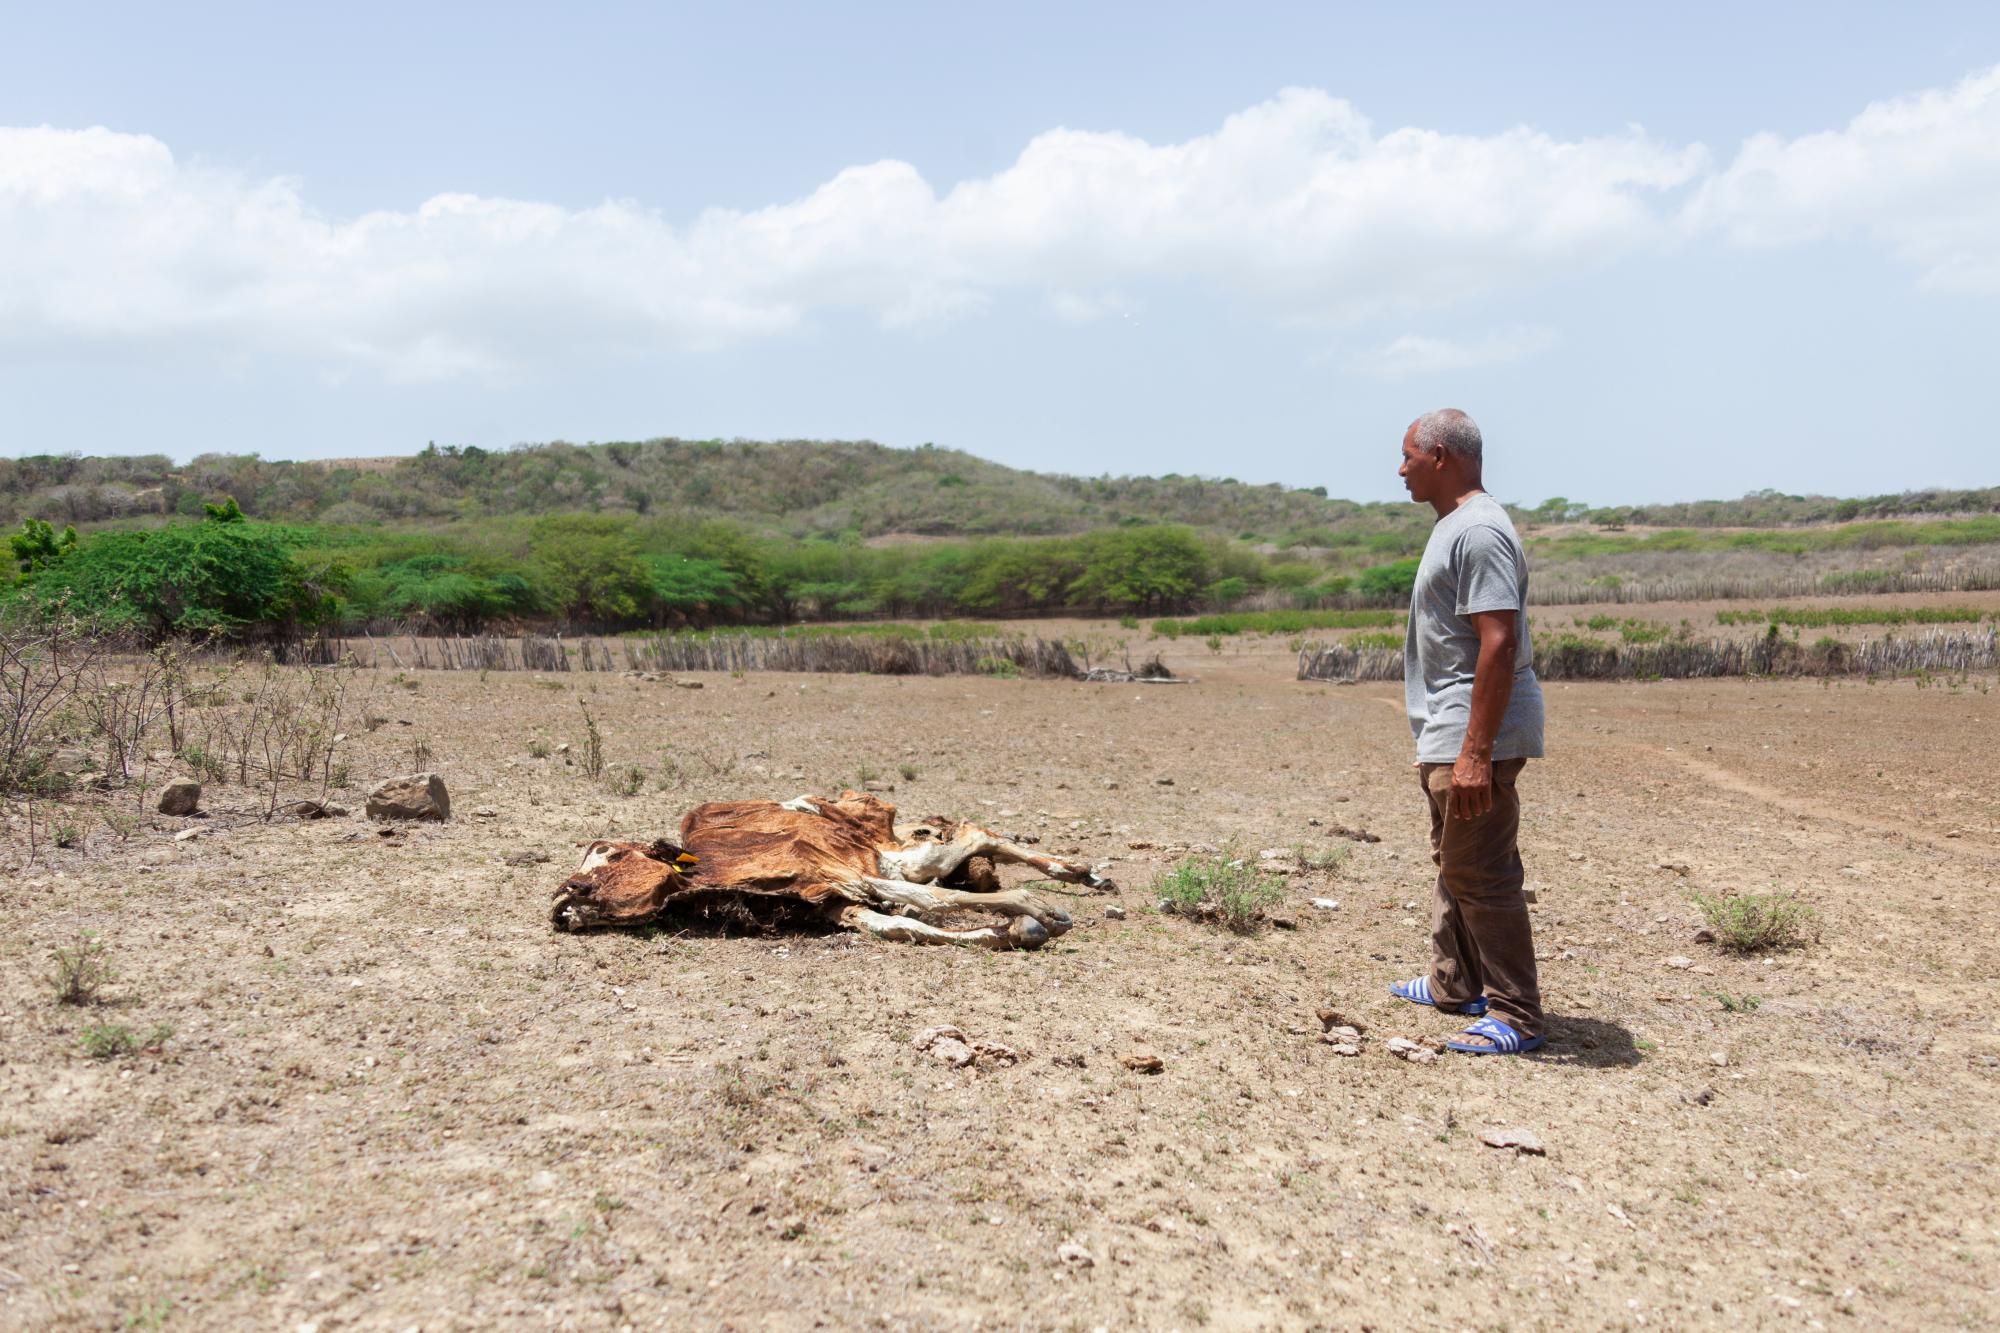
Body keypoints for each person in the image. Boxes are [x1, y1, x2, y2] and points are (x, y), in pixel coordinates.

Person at [1386, 408, 1547, 1055]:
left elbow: (1498, 641)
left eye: (1408, 456)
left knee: (1481, 870)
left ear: (1442, 457)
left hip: (1473, 734)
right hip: (1447, 729)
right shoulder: (1454, 525)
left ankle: (1517, 1012)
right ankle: (1456, 982)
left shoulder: (1479, 531)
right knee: (1454, 857)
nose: (1400, 469)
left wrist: (1475, 752)